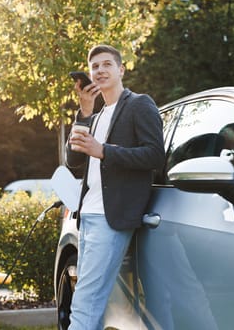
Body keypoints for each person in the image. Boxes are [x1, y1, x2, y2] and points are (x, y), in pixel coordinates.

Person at [65, 44, 165, 329]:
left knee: (85, 303)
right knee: (91, 302)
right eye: (94, 66)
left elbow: (155, 155)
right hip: (89, 217)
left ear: (121, 69)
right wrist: (84, 114)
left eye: (107, 64)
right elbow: (73, 160)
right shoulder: (96, 117)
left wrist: (105, 150)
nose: (99, 70)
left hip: (112, 219)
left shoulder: (139, 104)